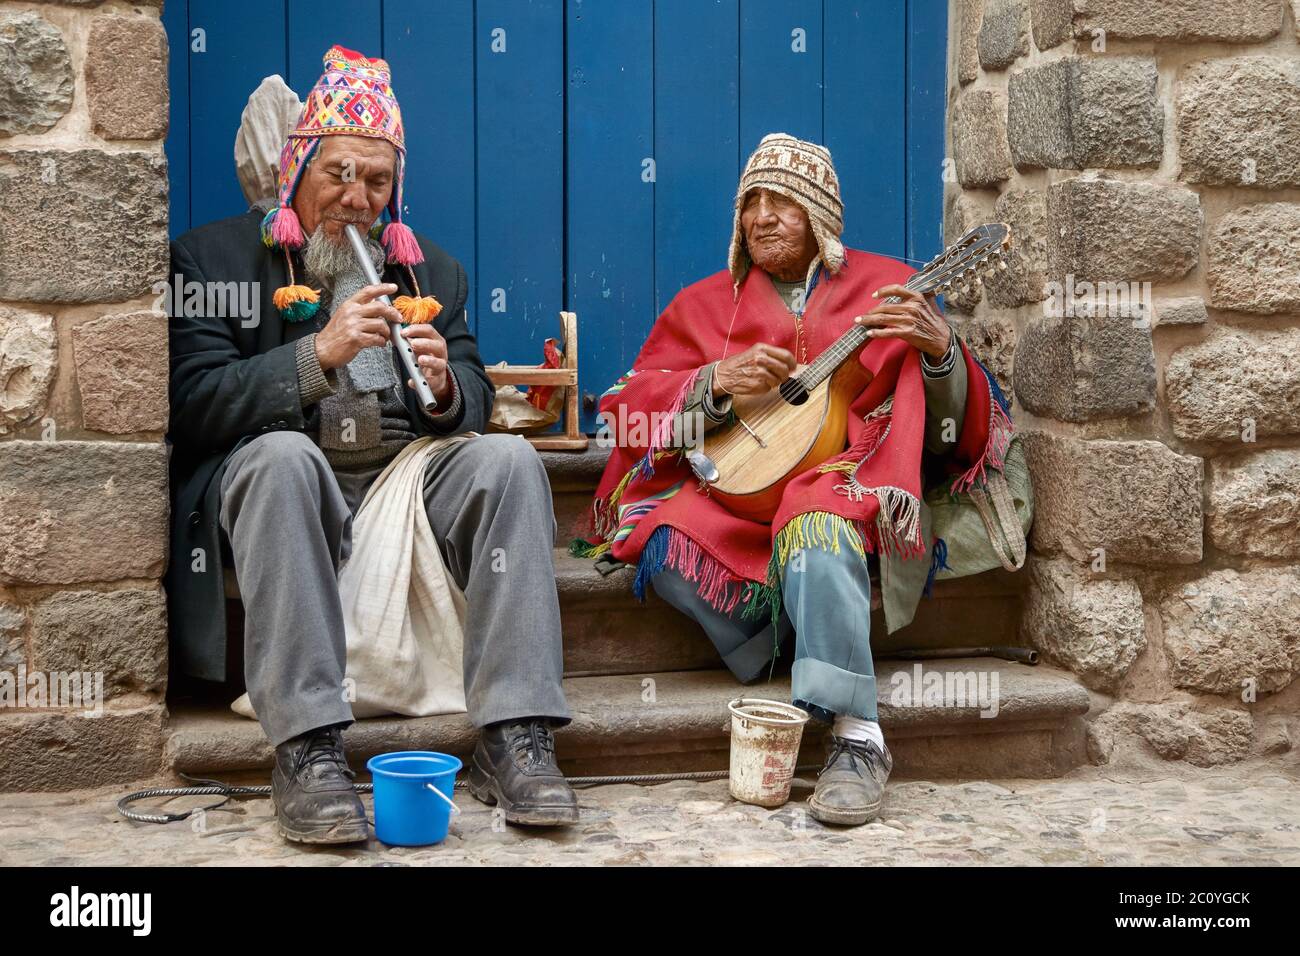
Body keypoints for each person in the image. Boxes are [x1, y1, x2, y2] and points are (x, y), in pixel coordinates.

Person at [166, 46, 578, 844]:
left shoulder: (430, 273)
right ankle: (309, 749)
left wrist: (452, 386)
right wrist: (314, 356)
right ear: (296, 172)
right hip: (284, 478)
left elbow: (473, 392)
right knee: (284, 461)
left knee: (508, 459)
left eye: (377, 183)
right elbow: (191, 405)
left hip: (403, 485)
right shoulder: (211, 260)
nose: (356, 200)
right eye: (338, 175)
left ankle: (517, 734)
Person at [576, 134, 1016, 826]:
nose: (761, 215)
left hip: (846, 482)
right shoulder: (704, 306)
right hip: (741, 498)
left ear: (821, 217)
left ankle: (857, 737)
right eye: (751, 201)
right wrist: (711, 386)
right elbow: (629, 416)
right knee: (655, 540)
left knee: (817, 526)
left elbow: (955, 435)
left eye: (782, 201)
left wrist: (939, 354)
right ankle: (775, 634)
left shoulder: (886, 289)